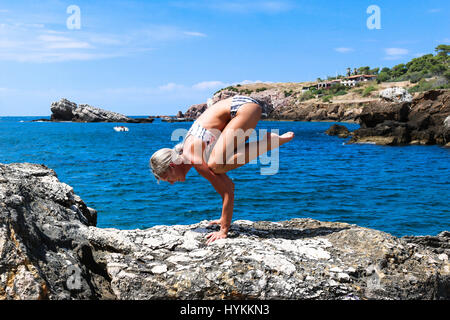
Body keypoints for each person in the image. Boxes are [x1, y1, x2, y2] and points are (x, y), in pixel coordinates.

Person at [150, 95, 295, 244]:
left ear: (172, 166)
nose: (172, 183)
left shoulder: (193, 156)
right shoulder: (193, 151)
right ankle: (268, 141)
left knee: (216, 165)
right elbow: (229, 185)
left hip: (242, 108)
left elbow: (227, 191)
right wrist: (223, 217)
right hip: (241, 108)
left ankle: (270, 142)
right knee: (218, 161)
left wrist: (224, 230)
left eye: (168, 179)